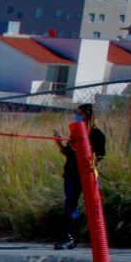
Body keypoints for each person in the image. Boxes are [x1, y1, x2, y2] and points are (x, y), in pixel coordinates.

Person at [53, 103, 105, 251]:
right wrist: (59, 144)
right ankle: (69, 237)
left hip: (87, 175)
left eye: (80, 113)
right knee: (70, 205)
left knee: (93, 206)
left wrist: (85, 156)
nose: (77, 116)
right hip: (71, 174)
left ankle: (96, 238)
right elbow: (69, 153)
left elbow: (99, 156)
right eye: (76, 113)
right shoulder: (75, 133)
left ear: (88, 115)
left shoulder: (97, 135)